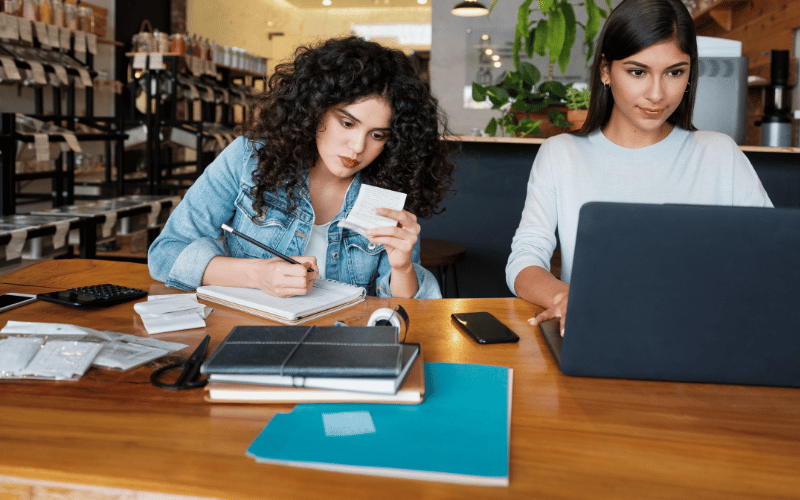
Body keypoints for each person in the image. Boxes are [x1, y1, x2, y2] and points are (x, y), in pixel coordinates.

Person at [507, 0, 772, 334]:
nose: (657, 94)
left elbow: (772, 259)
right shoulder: (561, 154)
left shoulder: (720, 154)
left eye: (675, 72)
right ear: (605, 70)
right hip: (598, 332)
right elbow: (525, 259)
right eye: (637, 72)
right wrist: (567, 297)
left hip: (703, 335)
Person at [148, 36, 454, 299]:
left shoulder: (386, 188)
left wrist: (402, 268)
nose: (358, 147)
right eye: (347, 123)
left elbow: (407, 308)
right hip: (246, 337)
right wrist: (258, 274)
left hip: (342, 345)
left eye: (377, 135)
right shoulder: (248, 158)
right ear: (315, 108)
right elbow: (165, 253)